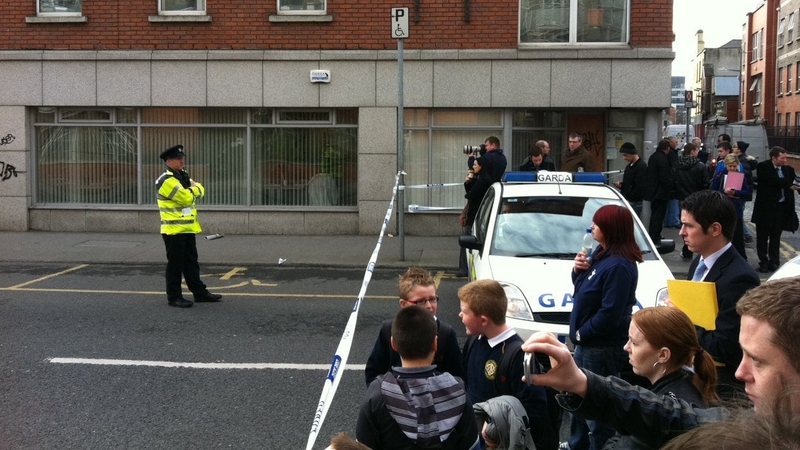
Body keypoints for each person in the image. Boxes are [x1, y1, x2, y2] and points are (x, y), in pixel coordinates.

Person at [520, 276, 800, 449]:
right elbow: (676, 419)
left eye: (758, 361)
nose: (740, 372)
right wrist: (581, 383)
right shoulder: (765, 422)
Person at [565, 204, 642, 450]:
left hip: (600, 348)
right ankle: (577, 444)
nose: (592, 227)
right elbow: (584, 291)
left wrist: (581, 333)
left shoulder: (620, 265)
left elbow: (611, 313)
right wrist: (577, 271)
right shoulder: (602, 253)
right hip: (587, 345)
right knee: (577, 400)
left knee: (598, 411)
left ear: (610, 229)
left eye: (597, 224)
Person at [356, 306, 481, 450]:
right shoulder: (457, 390)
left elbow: (362, 445)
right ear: (435, 344)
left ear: (393, 344)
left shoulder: (377, 394)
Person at [679, 190, 760, 398]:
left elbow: (727, 346)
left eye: (689, 226)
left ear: (715, 229)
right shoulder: (698, 261)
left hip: (716, 389)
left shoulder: (740, 278)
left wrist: (681, 321)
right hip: (691, 376)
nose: (681, 232)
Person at [602, 307, 719, 450]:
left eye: (634, 343)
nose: (626, 347)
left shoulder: (666, 412)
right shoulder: (686, 382)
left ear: (663, 355)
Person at [458, 279, 556, 450]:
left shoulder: (519, 355)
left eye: (464, 312)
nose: (460, 315)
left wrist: (497, 428)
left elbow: (534, 408)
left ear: (483, 320)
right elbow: (466, 381)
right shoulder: (474, 340)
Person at [365, 267, 464, 387]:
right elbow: (373, 372)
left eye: (432, 299)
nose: (429, 306)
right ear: (403, 304)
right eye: (421, 301)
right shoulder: (389, 330)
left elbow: (458, 378)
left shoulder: (446, 334)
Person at [155, 145, 221, 308]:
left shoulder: (182, 175)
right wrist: (194, 188)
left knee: (191, 262)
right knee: (175, 265)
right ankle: (174, 297)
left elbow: (200, 190)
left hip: (188, 228)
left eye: (182, 158)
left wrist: (194, 189)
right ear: (168, 161)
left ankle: (200, 293)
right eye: (178, 158)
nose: (182, 160)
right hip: (174, 230)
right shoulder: (166, 180)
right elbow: (186, 199)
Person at [751, 146, 800, 273]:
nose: (785, 161)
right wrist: (788, 183)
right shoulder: (763, 167)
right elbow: (773, 181)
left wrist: (791, 185)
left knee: (775, 237)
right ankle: (763, 262)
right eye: (782, 158)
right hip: (765, 210)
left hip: (780, 209)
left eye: (786, 158)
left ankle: (774, 262)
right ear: (774, 157)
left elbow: (789, 182)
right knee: (762, 238)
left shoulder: (789, 169)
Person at [710, 154, 752, 259]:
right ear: (726, 165)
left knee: (737, 237)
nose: (732, 168)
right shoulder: (719, 176)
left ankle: (741, 259)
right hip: (722, 209)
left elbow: (747, 193)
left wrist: (736, 193)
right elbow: (712, 192)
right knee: (723, 236)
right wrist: (724, 191)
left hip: (736, 210)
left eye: (734, 166)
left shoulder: (741, 177)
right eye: (730, 166)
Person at [458, 156, 494, 277]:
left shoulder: (484, 180)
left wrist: (470, 184)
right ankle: (464, 267)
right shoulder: (480, 178)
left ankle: (463, 268)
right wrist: (468, 183)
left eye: (475, 165)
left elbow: (470, 195)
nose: (473, 167)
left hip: (476, 215)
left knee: (466, 240)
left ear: (481, 166)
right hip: (475, 214)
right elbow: (470, 192)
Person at [673, 142, 709, 259]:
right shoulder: (700, 166)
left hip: (683, 199)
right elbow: (705, 183)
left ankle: (687, 250)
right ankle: (699, 247)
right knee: (698, 224)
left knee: (685, 224)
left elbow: (674, 182)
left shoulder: (677, 165)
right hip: (697, 199)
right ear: (692, 152)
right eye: (697, 150)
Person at [643, 139, 675, 244]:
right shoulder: (663, 159)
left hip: (653, 192)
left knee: (654, 214)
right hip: (661, 193)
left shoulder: (653, 157)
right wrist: (670, 186)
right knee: (659, 216)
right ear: (667, 148)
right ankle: (655, 236)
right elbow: (664, 177)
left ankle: (653, 234)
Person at [613, 142, 646, 219]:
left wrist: (630, 199)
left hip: (634, 202)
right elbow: (630, 183)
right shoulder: (629, 166)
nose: (624, 158)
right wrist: (622, 185)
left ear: (632, 153)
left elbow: (640, 186)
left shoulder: (641, 166)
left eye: (625, 155)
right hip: (628, 200)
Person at [731, 141, 756, 244]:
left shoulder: (742, 161)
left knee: (738, 215)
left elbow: (742, 174)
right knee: (737, 214)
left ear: (739, 149)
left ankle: (746, 235)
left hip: (740, 192)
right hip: (740, 192)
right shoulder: (741, 159)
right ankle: (745, 235)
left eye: (735, 147)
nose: (733, 148)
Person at [663, 136, 681, 229]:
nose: (676, 144)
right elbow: (674, 167)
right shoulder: (672, 154)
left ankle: (668, 221)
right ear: (670, 143)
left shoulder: (668, 153)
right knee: (673, 202)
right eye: (675, 142)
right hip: (672, 182)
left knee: (669, 203)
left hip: (669, 182)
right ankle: (674, 220)